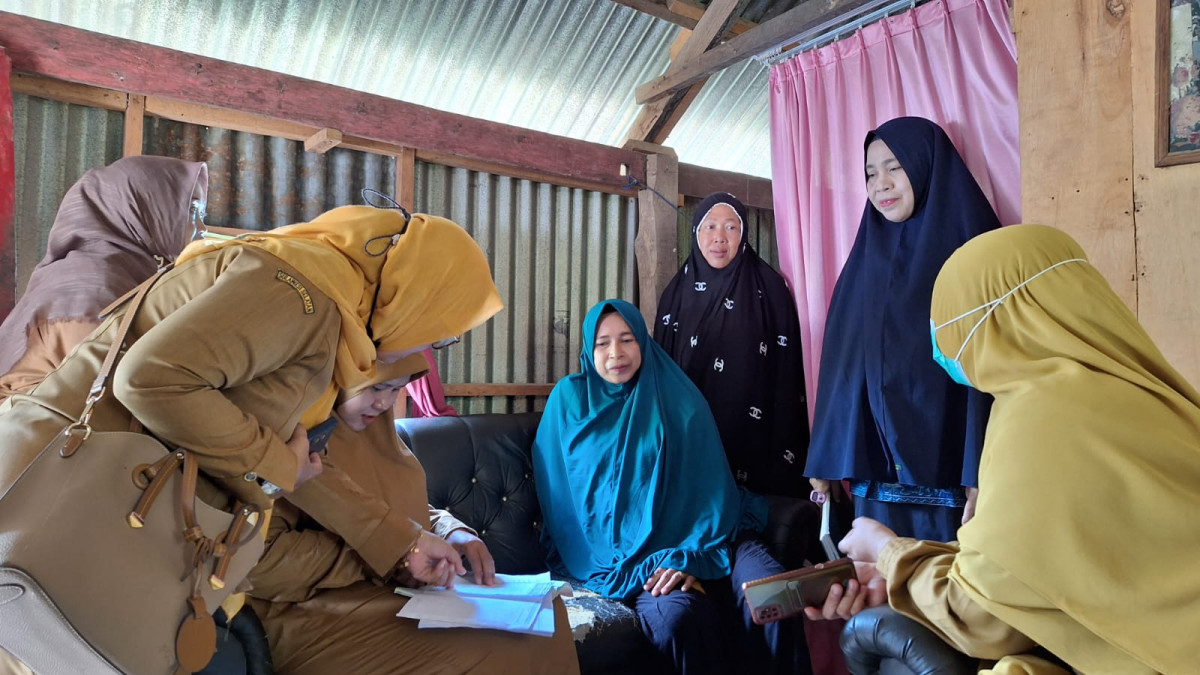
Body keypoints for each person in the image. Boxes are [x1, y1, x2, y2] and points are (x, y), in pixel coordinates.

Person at [816, 224, 1200, 674]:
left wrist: (887, 550)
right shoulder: (1143, 391)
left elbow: (985, 618)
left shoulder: (1045, 419)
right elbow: (1045, 573)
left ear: (992, 317)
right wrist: (905, 573)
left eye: (944, 320)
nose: (939, 344)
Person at [0, 202, 503, 539]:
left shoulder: (324, 297)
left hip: (79, 487)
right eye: (440, 329)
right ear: (416, 299)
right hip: (58, 493)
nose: (431, 344)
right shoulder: (300, 293)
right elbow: (151, 378)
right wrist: (280, 465)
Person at [245, 354, 580, 674]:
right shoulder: (291, 444)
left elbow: (399, 506)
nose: (385, 403)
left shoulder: (375, 432)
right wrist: (389, 554)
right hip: (311, 614)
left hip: (392, 594)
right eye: (376, 387)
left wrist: (453, 533)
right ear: (339, 376)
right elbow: (259, 564)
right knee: (490, 649)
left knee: (550, 619)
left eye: (395, 389)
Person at [533, 299, 812, 675]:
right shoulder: (569, 401)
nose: (616, 353)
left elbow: (710, 487)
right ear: (588, 348)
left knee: (775, 597)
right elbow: (564, 501)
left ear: (643, 342)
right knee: (677, 619)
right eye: (602, 343)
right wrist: (659, 559)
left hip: (714, 536)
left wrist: (689, 554)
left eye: (627, 339)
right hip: (637, 559)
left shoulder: (675, 394)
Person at [804, 116, 1000, 541]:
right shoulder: (864, 260)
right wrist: (824, 456)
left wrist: (982, 468)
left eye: (894, 167)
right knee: (879, 596)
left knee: (946, 596)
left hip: (953, 480)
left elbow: (992, 369)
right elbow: (843, 363)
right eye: (871, 173)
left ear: (925, 163)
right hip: (876, 484)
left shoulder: (977, 249)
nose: (881, 185)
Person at [0, 156, 209, 402]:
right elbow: (121, 389)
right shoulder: (92, 283)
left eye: (202, 213)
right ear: (142, 209)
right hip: (45, 436)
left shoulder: (125, 274)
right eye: (191, 210)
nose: (202, 227)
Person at [655, 192, 810, 499]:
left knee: (751, 515)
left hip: (756, 431)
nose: (719, 238)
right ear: (696, 232)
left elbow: (787, 370)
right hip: (692, 432)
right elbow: (661, 371)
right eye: (710, 227)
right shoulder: (675, 294)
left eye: (731, 227)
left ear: (744, 234)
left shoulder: (770, 287)